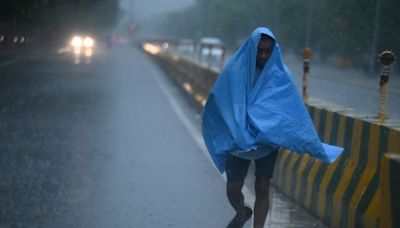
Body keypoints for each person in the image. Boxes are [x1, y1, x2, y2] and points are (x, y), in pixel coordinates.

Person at [202, 27, 343, 228]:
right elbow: (221, 100)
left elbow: (290, 109)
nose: (263, 55)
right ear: (252, 49)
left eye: (267, 51)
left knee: (262, 185)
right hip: (238, 136)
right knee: (233, 188)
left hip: (267, 138)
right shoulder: (234, 72)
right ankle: (242, 213)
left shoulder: (280, 75)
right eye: (259, 50)